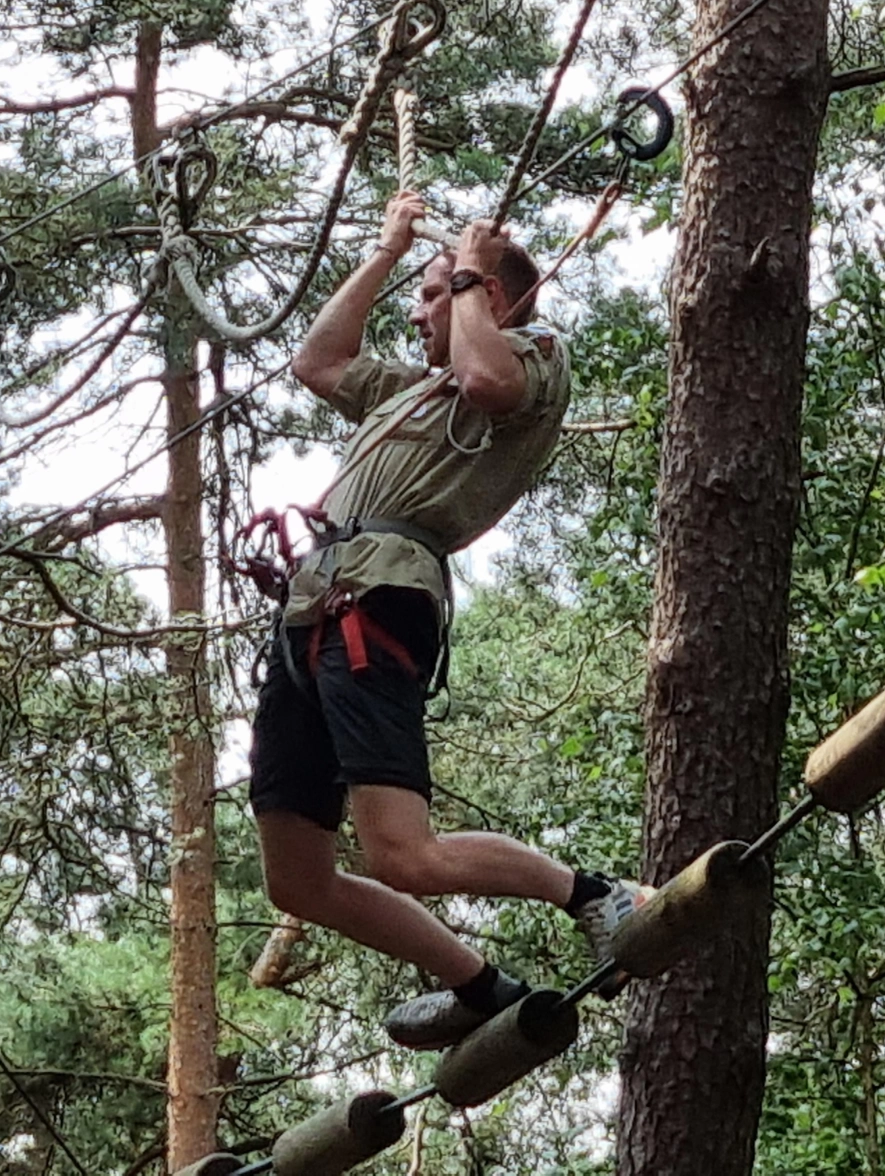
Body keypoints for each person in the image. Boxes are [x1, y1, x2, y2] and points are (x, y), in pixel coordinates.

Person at [251, 190, 640, 1050]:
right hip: (312, 606)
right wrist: (388, 253)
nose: (416, 312)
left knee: (403, 855)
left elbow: (487, 379)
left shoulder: (533, 357)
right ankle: (481, 988)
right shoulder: (415, 391)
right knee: (296, 880)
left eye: (431, 296)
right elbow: (317, 363)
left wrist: (463, 271)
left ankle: (597, 895)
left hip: (377, 597)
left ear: (485, 295)